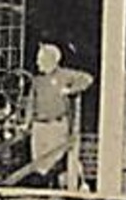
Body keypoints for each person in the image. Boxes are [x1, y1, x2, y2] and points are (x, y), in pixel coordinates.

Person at [29, 42, 93, 188]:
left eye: (40, 59)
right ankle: (45, 188)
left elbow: (87, 79)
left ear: (51, 60)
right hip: (39, 126)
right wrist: (28, 123)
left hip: (56, 125)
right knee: (39, 164)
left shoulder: (64, 75)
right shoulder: (37, 81)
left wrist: (70, 90)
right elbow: (31, 103)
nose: (37, 63)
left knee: (55, 158)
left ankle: (70, 184)